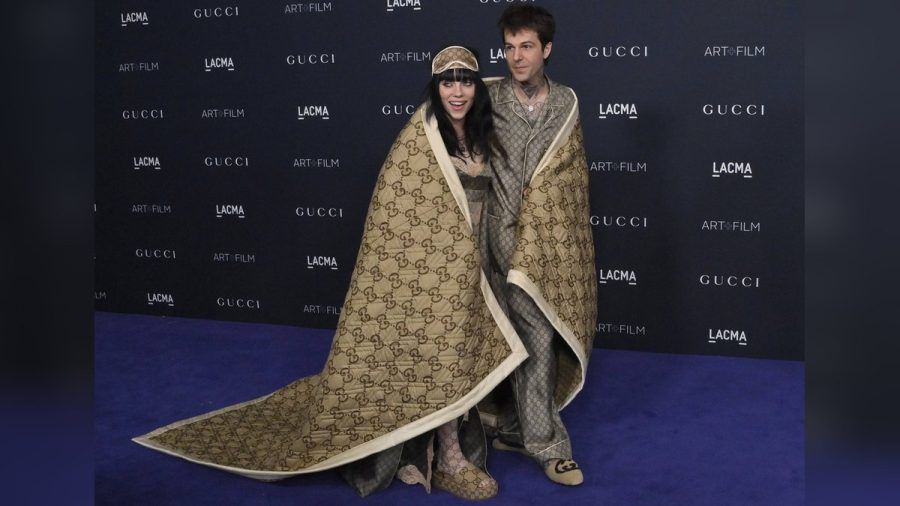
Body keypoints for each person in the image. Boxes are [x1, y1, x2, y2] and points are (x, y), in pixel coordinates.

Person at [133, 46, 528, 501]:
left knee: (472, 351)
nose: (456, 91)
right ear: (434, 87)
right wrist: (442, 265)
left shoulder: (486, 135)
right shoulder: (419, 140)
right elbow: (396, 213)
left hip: (482, 261)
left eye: (466, 81)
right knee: (442, 353)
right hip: (432, 273)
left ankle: (455, 437)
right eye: (446, 81)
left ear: (478, 86)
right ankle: (449, 458)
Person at [480, 5, 598, 486]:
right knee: (529, 332)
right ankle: (550, 446)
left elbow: (572, 179)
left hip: (547, 241)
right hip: (500, 237)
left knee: (529, 336)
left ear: (546, 50)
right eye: (509, 47)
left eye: (526, 46)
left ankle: (513, 427)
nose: (516, 57)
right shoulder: (489, 99)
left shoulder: (567, 102)